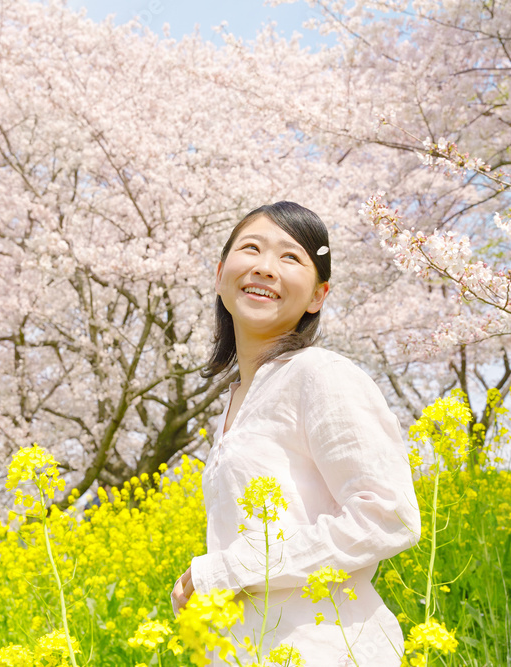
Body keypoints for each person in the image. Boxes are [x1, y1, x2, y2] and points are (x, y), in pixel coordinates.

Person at [171, 201, 421, 666]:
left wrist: (227, 569)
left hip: (326, 650)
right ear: (222, 272)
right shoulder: (234, 403)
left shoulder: (319, 374)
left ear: (317, 296)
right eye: (251, 249)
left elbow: (389, 515)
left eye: (290, 257)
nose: (265, 268)